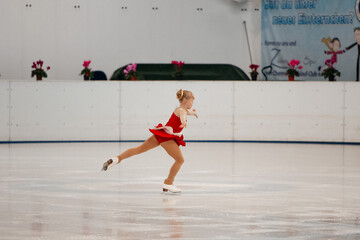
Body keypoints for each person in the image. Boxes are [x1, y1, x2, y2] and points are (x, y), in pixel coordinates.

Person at [101, 89, 198, 193]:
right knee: (180, 160)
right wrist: (183, 122)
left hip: (160, 135)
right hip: (167, 139)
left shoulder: (178, 109)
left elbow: (187, 112)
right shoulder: (182, 111)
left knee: (138, 149)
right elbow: (183, 115)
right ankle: (168, 183)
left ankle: (116, 159)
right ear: (186, 101)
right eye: (192, 101)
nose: (193, 103)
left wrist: (193, 113)